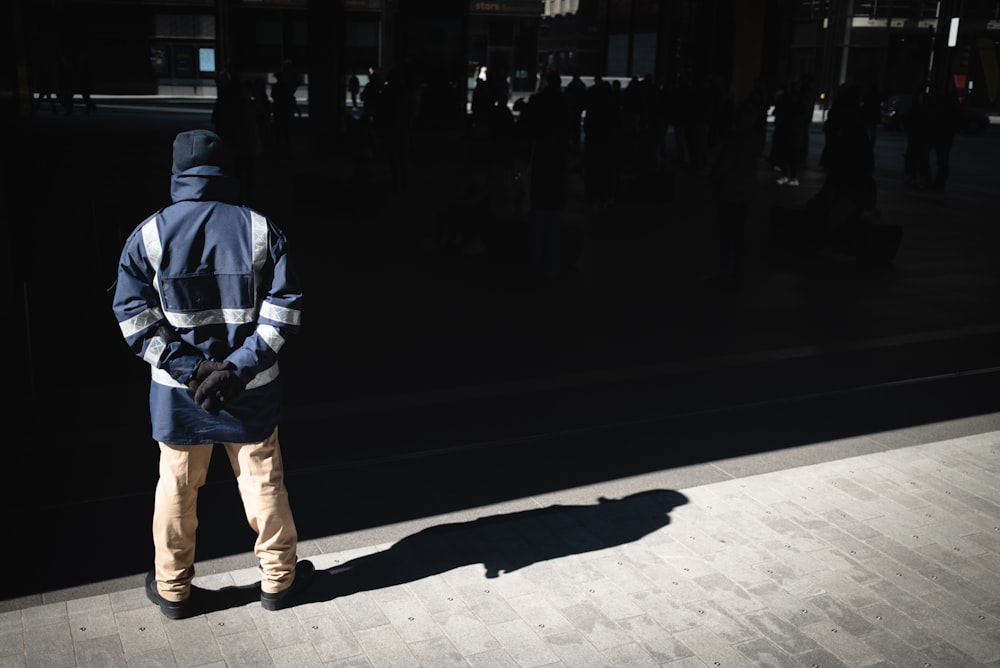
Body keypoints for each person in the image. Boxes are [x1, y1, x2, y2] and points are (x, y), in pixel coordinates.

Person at [111, 129, 313, 620]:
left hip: (179, 395)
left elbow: (133, 316)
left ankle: (174, 589)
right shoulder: (263, 230)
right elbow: (283, 312)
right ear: (227, 170)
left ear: (177, 174)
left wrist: (192, 369)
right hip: (251, 391)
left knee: (177, 487)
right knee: (262, 482)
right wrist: (235, 371)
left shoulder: (150, 235)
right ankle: (278, 582)